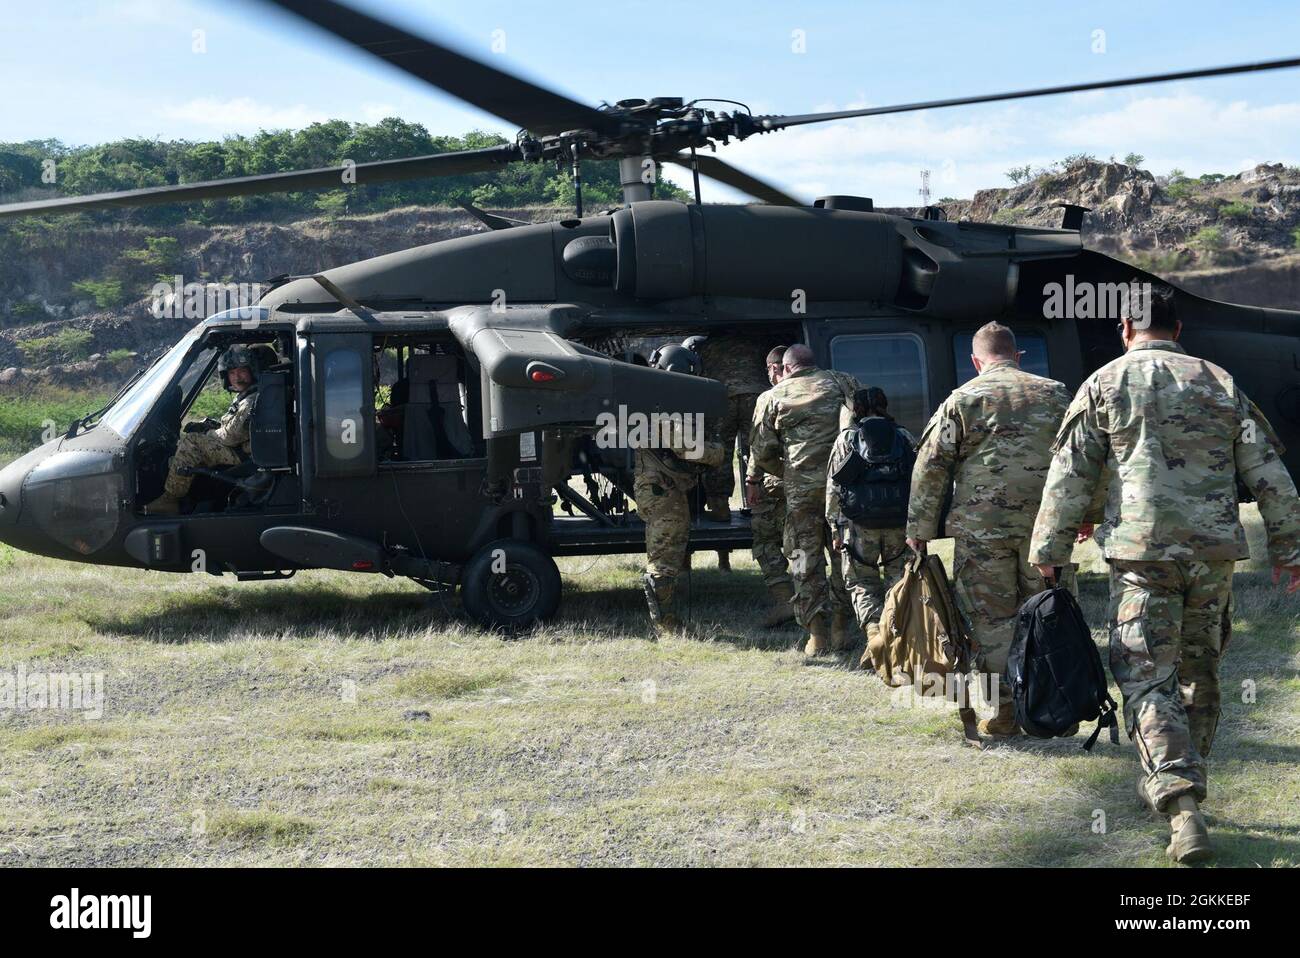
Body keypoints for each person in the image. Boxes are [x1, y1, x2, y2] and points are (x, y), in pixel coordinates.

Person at [1028, 288, 1300, 864]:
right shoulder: (1219, 380)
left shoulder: (1104, 383)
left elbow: (1071, 472)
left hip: (1141, 555)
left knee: (1148, 675)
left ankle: (1180, 803)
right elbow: (1269, 472)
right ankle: (1187, 786)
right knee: (1200, 669)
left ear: (1126, 327)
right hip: (1214, 554)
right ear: (1178, 330)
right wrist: (1290, 548)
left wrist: (1051, 547)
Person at [906, 321, 1071, 735]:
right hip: (1044, 530)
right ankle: (1054, 708)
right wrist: (1085, 514)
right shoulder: (1055, 394)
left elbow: (931, 466)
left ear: (976, 361)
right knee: (1049, 616)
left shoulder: (963, 399)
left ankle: (1003, 714)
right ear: (1017, 356)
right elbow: (1083, 456)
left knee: (991, 621)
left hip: (982, 532)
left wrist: (919, 527)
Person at [751, 344, 860, 654]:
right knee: (844, 556)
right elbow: (862, 422)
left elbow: (762, 451)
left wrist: (789, 472)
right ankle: (841, 629)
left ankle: (817, 635)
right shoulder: (843, 382)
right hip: (842, 488)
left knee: (803, 560)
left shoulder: (771, 397)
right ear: (814, 364)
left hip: (801, 493)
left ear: (785, 369)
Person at [634, 343, 725, 635]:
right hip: (661, 489)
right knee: (663, 559)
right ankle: (665, 624)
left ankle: (666, 619)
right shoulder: (659, 404)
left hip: (664, 486)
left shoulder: (653, 398)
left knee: (667, 555)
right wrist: (718, 452)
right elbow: (687, 448)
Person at [826, 387, 915, 665]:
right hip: (899, 522)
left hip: (859, 523)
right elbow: (919, 480)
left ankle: (874, 635)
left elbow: (834, 486)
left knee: (861, 582)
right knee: (898, 580)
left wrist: (834, 526)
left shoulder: (847, 439)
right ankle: (896, 639)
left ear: (856, 410)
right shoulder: (904, 437)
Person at [143, 343, 268, 515]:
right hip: (243, 448)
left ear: (251, 371)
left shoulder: (251, 400)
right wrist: (212, 427)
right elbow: (234, 428)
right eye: (232, 373)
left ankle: (170, 499)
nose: (237, 377)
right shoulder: (248, 395)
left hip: (244, 455)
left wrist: (207, 433)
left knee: (191, 442)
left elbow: (229, 437)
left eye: (242, 371)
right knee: (183, 453)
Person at [686, 334, 771, 523]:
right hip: (756, 394)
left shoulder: (705, 345)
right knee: (759, 448)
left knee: (719, 451)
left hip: (719, 395)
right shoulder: (757, 340)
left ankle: (720, 506)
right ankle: (762, 506)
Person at [744, 345, 795, 627]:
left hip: (776, 483)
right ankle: (818, 602)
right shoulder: (824, 391)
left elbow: (759, 446)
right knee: (806, 544)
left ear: (776, 369)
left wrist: (752, 480)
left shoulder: (770, 398)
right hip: (816, 484)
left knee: (766, 543)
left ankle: (784, 602)